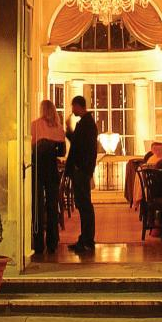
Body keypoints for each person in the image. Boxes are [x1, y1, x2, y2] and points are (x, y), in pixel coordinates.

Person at [30, 99, 66, 257]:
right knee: (52, 206)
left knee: (37, 206)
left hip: (38, 168)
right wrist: (52, 145)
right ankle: (52, 241)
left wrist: (42, 144)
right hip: (51, 169)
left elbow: (29, 148)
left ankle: (38, 243)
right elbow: (62, 152)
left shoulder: (35, 125)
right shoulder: (58, 128)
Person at [64, 94, 98, 255]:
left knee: (85, 206)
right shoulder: (86, 123)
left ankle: (87, 240)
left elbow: (80, 147)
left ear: (79, 106)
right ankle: (85, 239)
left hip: (81, 171)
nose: (72, 110)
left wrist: (80, 168)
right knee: (84, 205)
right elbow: (78, 143)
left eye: (73, 107)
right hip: (82, 170)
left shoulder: (86, 124)